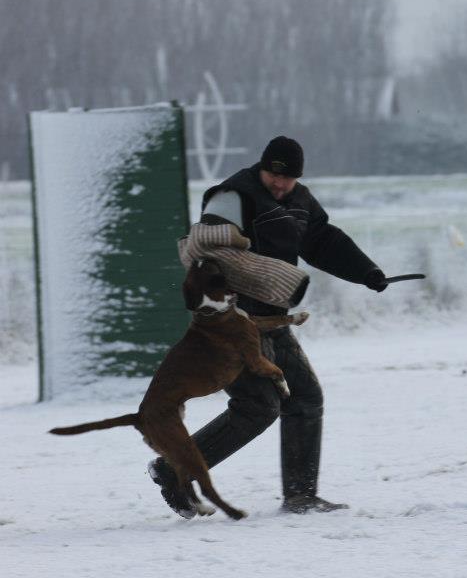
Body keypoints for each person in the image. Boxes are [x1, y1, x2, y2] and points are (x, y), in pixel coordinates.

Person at [149, 135, 389, 517]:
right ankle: (172, 468)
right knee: (258, 406)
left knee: (305, 398)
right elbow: (207, 253)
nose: (279, 184)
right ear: (261, 168)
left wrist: (367, 272)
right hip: (232, 325)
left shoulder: (300, 201)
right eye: (272, 176)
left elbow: (324, 241)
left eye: (288, 178)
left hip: (271, 321)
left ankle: (301, 496)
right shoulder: (231, 197)